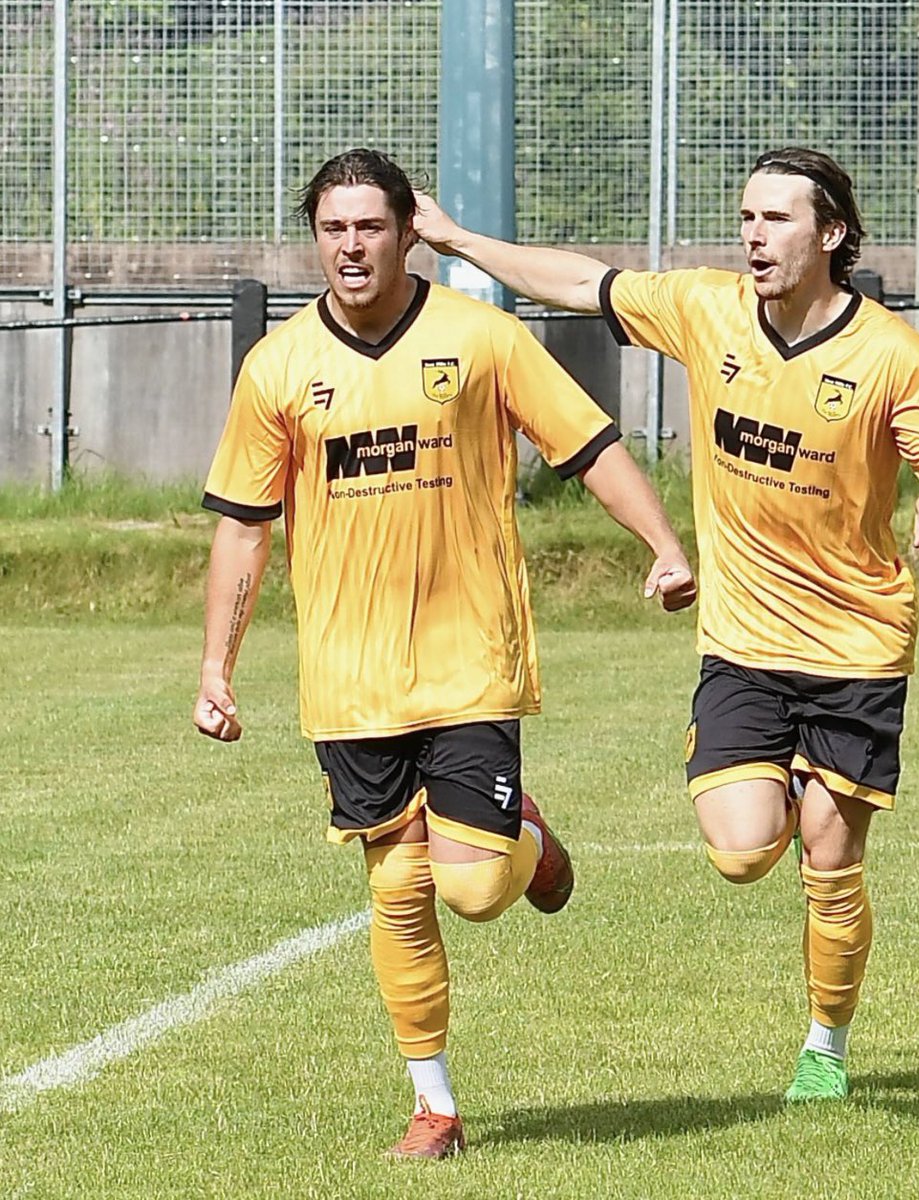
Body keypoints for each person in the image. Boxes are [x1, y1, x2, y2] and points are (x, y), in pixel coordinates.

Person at [413, 146, 919, 1103]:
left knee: (833, 859)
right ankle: (775, 796)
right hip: (742, 644)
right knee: (739, 852)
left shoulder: (887, 353)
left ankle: (825, 1047)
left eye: (775, 220)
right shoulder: (706, 308)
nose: (753, 236)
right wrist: (460, 239)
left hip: (858, 645)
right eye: (746, 218)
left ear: (830, 234)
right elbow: (580, 284)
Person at [193, 148, 695, 1158]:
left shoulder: (480, 338)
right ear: (315, 238)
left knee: (467, 888)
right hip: (349, 676)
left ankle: (530, 845)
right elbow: (243, 527)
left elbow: (587, 446)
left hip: (468, 653)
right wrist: (217, 666)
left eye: (369, 226)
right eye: (332, 229)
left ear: (405, 229)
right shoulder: (279, 368)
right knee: (395, 890)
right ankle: (435, 1107)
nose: (350, 246)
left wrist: (664, 545)